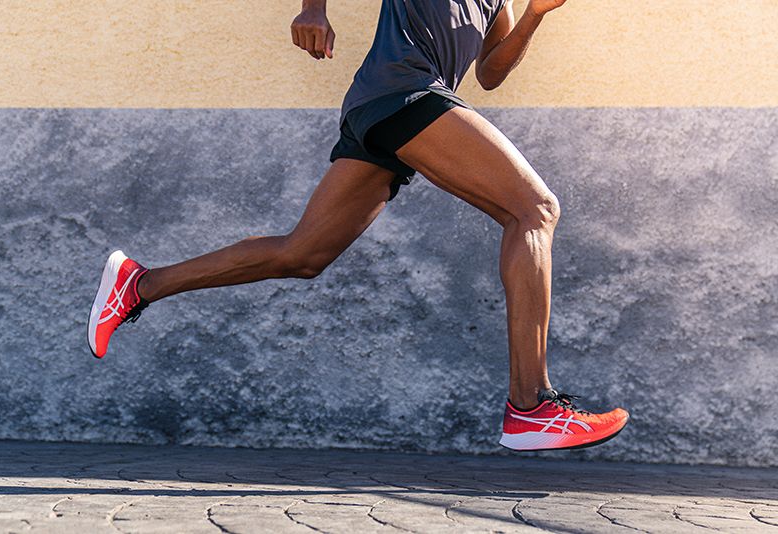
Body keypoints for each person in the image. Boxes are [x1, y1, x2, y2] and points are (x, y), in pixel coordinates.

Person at [87, 0, 629, 451]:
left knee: (302, 254)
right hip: (404, 93)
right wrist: (313, 9)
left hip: (386, 103)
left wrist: (536, 12)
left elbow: (491, 71)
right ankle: (532, 404)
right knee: (533, 209)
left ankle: (140, 284)